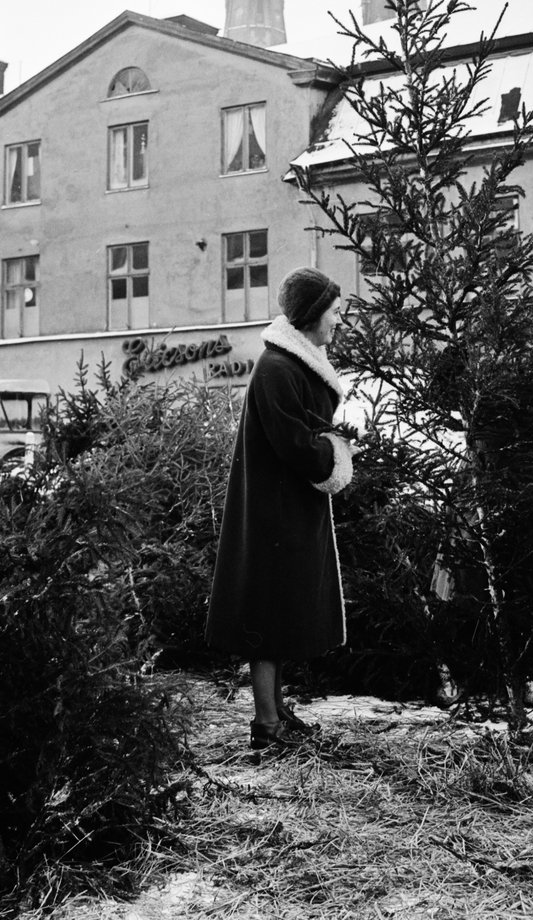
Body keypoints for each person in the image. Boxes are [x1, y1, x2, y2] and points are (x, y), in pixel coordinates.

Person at [205, 267, 353, 749]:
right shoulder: (277, 369)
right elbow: (296, 444)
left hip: (286, 509)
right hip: (272, 514)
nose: (338, 322)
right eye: (333, 313)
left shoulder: (290, 364)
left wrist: (331, 443)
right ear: (312, 315)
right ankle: (266, 726)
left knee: (279, 613)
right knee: (266, 620)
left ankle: (277, 713)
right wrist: (335, 451)